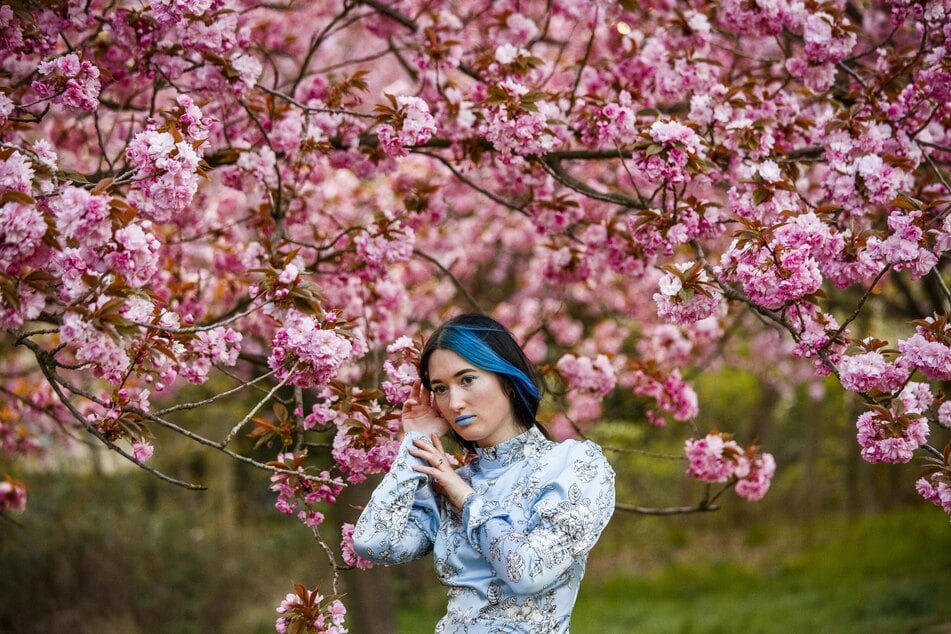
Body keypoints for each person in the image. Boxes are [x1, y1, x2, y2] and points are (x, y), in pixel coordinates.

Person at [352, 313, 616, 633]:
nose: (455, 402)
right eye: (440, 388)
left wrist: (465, 498)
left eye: (466, 379)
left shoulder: (574, 464)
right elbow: (373, 543)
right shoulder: (451, 483)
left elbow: (528, 572)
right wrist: (415, 442)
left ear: (506, 378)